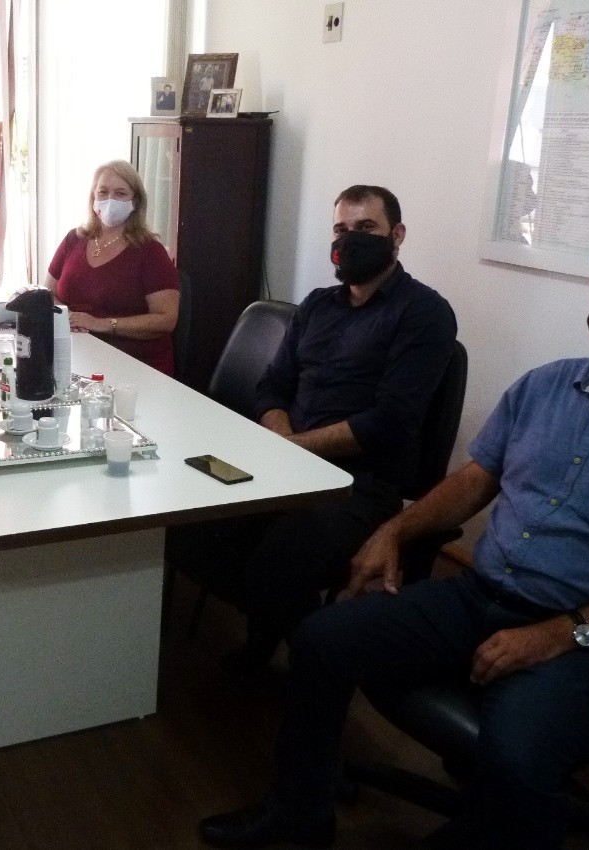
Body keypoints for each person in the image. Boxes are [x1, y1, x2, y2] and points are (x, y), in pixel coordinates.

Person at [199, 220, 589, 850]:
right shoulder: (543, 386)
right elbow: (476, 480)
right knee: (323, 638)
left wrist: (563, 632)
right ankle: (298, 816)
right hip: (479, 595)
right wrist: (393, 530)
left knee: (518, 751)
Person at [169, 185, 456, 674]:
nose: (351, 240)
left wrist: (294, 449)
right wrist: (283, 444)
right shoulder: (318, 305)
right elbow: (271, 387)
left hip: (357, 484)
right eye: (342, 230)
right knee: (190, 514)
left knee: (279, 560)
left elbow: (388, 421)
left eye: (367, 229)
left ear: (397, 235)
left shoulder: (423, 313)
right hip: (286, 460)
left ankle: (291, 657)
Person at [45, 160, 180, 375]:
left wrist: (102, 324)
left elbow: (166, 319)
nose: (110, 200)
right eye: (103, 192)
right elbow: (48, 292)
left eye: (120, 194)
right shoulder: (74, 239)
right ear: (93, 198)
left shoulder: (150, 251)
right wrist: (67, 317)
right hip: (78, 356)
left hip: (136, 368)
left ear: (135, 201)